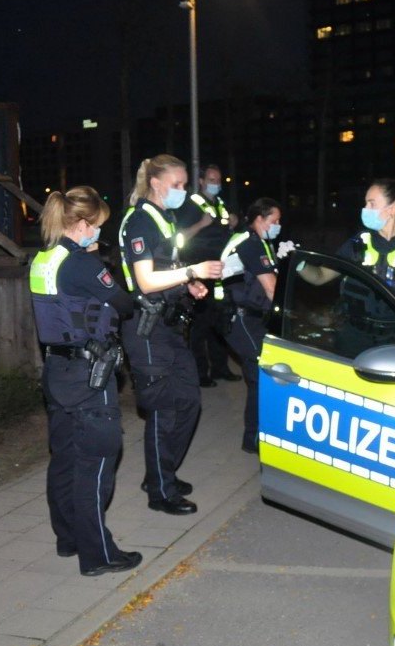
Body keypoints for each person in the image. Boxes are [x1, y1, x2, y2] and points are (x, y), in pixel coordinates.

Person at [29, 185, 142, 577]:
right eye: (98, 225)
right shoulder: (82, 263)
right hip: (88, 375)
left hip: (57, 372)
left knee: (64, 459)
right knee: (95, 463)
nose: (100, 233)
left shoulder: (44, 257)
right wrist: (99, 263)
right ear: (82, 223)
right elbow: (124, 303)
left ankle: (69, 538)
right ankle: (98, 555)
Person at [118, 155, 223, 515]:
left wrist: (189, 283)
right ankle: (160, 491)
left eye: (184, 185)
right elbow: (146, 280)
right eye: (177, 185)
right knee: (163, 409)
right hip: (146, 329)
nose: (183, 191)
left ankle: (160, 473)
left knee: (189, 401)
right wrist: (193, 270)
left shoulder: (165, 218)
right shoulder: (139, 221)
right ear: (157, 183)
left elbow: (168, 267)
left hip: (169, 325)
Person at [299, 178, 395, 345]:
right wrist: (300, 264)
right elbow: (319, 276)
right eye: (365, 203)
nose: (365, 209)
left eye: (371, 203)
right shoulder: (358, 244)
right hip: (354, 339)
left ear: (393, 208)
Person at [220, 197, 283, 453]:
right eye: (274, 221)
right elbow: (271, 289)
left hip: (251, 316)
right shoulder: (250, 244)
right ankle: (254, 439)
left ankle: (258, 435)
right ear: (259, 219)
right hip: (241, 317)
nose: (278, 225)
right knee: (261, 376)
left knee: (260, 376)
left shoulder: (258, 242)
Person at [175, 164, 241, 387]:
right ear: (201, 181)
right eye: (211, 180)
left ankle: (220, 368)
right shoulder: (189, 204)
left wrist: (232, 221)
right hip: (199, 271)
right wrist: (201, 224)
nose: (216, 184)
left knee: (219, 320)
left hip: (220, 271)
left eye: (218, 180)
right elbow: (180, 237)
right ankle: (200, 373)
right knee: (199, 324)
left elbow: (225, 230)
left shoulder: (219, 204)